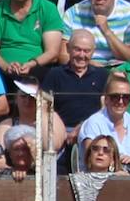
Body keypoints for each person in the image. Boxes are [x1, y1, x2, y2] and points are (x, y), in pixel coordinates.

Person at [44, 27, 108, 164]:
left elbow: (105, 109)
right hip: (59, 132)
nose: (81, 55)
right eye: (77, 49)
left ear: (93, 52)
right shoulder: (55, 74)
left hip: (92, 131)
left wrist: (82, 128)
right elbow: (45, 107)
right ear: (67, 48)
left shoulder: (102, 75)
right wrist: (61, 133)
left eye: (87, 51)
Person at [77, 71, 130, 167]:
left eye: (126, 97)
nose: (120, 102)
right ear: (106, 99)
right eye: (115, 97)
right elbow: (91, 160)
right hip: (98, 179)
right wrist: (118, 167)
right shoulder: (93, 123)